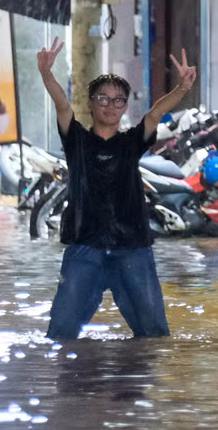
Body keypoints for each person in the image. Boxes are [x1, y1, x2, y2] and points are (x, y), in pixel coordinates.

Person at [38, 38, 199, 340]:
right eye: (103, 98)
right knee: (60, 336)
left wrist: (182, 89)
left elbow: (153, 115)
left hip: (132, 250)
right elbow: (62, 105)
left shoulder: (131, 142)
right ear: (91, 103)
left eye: (118, 100)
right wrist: (47, 75)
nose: (110, 106)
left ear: (125, 106)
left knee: (154, 338)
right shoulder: (76, 141)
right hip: (85, 248)